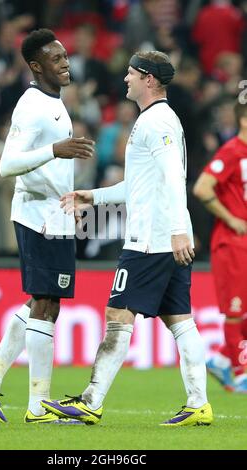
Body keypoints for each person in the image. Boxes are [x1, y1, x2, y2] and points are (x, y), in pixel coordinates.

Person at [42, 51, 213, 426]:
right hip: (165, 235)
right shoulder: (153, 120)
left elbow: (172, 177)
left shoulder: (158, 122)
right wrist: (94, 197)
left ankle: (91, 400)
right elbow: (139, 185)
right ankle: (199, 403)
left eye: (132, 74)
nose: (125, 79)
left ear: (149, 79)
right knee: (180, 319)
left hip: (151, 239)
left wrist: (178, 230)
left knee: (118, 315)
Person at [0, 29, 94, 423]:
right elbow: (7, 165)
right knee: (46, 306)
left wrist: (71, 198)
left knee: (42, 303)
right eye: (56, 59)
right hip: (38, 218)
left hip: (54, 216)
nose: (65, 62)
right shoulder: (32, 106)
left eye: (65, 56)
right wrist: (56, 149)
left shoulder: (53, 102)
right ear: (36, 67)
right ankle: (38, 408)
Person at [193, 102, 247, 393]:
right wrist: (231, 218)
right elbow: (202, 187)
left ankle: (223, 360)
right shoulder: (231, 151)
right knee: (236, 310)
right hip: (232, 242)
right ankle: (240, 374)